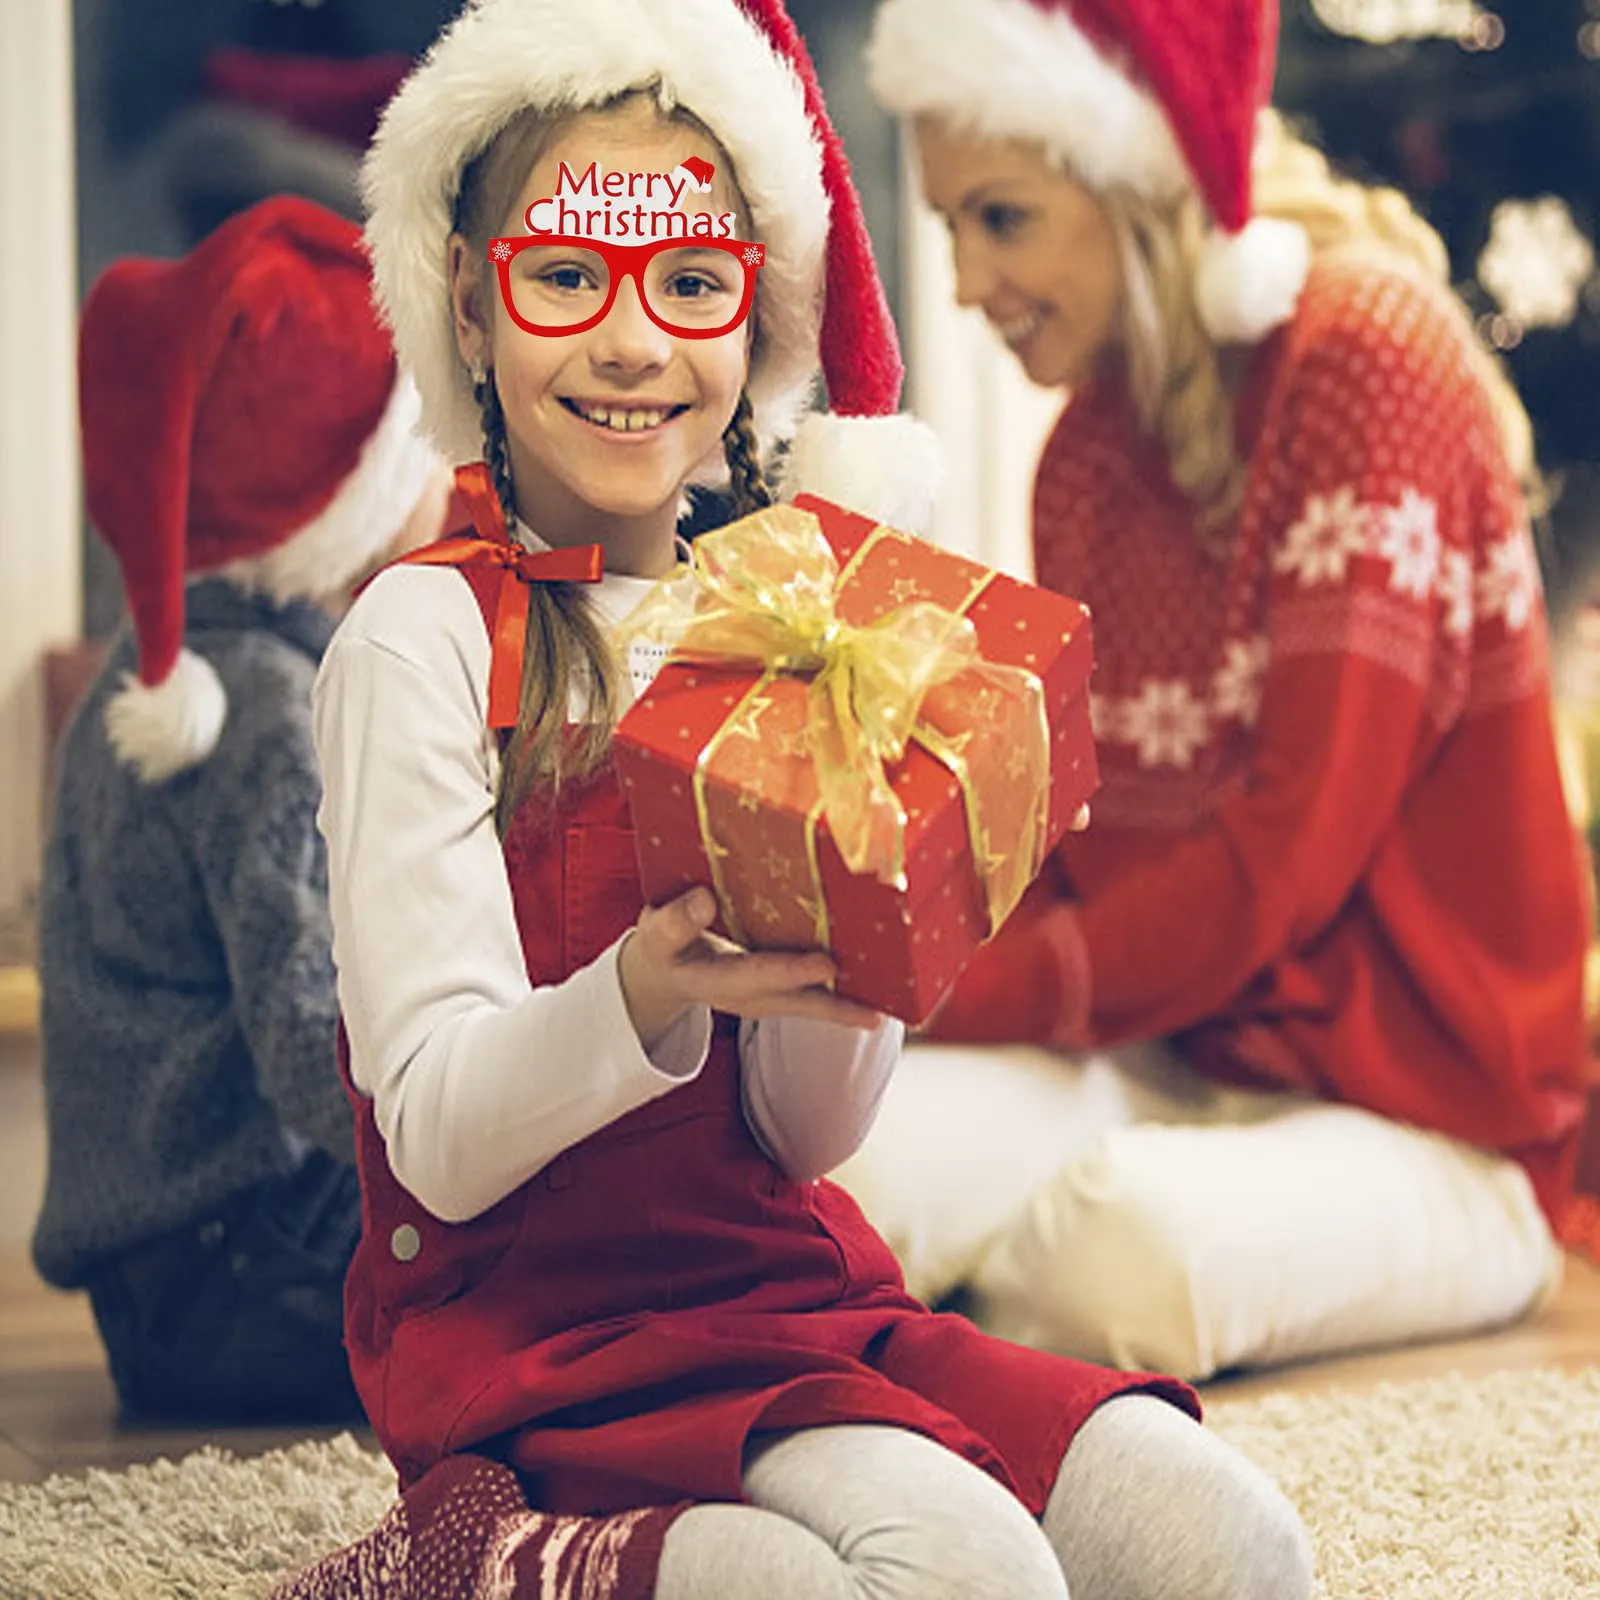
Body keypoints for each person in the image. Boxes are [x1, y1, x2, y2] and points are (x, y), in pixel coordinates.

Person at [282, 3, 1314, 1598]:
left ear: (752, 326)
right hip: (537, 1340)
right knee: (945, 1573)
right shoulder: (416, 638)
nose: (635, 344)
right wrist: (642, 986)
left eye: (691, 286)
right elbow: (435, 1142)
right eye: (566, 281)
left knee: (1225, 1538)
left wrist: (881, 916)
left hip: (784, 1290)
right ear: (471, 320)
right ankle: (471, 1557)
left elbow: (803, 1138)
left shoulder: (780, 621)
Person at [836, 0, 1593, 1383]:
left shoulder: (1367, 363)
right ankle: (927, 1318)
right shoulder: (1081, 458)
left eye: (1001, 219)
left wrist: (945, 992)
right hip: (1186, 1053)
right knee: (841, 1173)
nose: (960, 281)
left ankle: (935, 1334)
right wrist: (891, 943)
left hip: (1441, 1125)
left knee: (1128, 1251)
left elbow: (1275, 864)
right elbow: (1087, 846)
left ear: (1141, 181)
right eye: (949, 226)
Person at [32, 196, 449, 1423]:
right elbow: (316, 1053)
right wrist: (469, 1140)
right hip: (229, 1278)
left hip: (169, 1274)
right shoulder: (268, 716)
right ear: (345, 505)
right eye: (418, 443)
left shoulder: (168, 670)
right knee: (536, 1300)